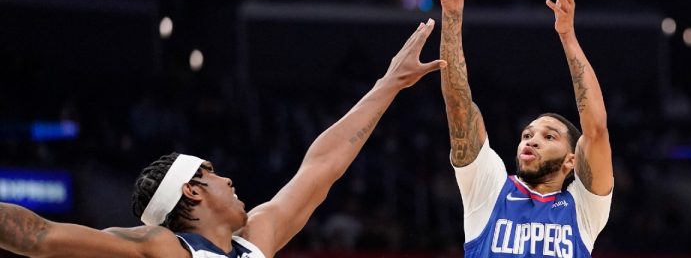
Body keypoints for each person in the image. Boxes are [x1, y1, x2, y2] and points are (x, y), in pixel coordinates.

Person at [0, 19, 446, 258]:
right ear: (190, 191)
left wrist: (388, 84)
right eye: (211, 174)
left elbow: (321, 167)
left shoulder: (257, 238)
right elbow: (38, 236)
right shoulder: (161, 248)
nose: (230, 181)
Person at [424, 0, 613, 257]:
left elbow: (595, 129)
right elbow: (458, 104)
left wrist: (567, 37)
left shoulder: (583, 209)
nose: (532, 139)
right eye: (528, 134)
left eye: (549, 136)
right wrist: (452, 13)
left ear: (572, 161)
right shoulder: (490, 188)